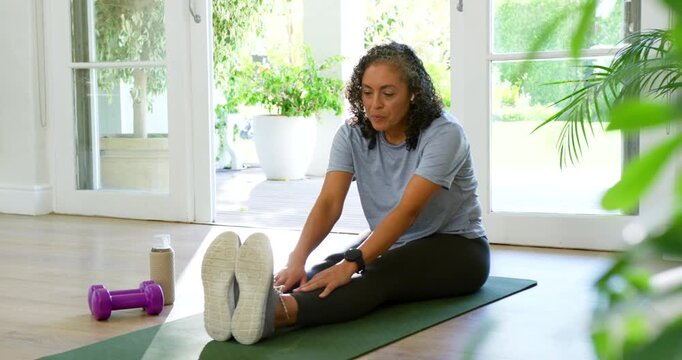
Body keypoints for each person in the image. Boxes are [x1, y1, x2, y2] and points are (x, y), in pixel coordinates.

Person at [201, 41, 490, 345]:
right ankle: (242, 303)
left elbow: (408, 211)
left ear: (414, 94)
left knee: (374, 273)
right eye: (367, 92)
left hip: (459, 248)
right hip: (397, 239)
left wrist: (353, 263)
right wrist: (298, 258)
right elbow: (328, 203)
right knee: (325, 269)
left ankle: (273, 313)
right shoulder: (352, 133)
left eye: (388, 94)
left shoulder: (444, 133)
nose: (374, 104)